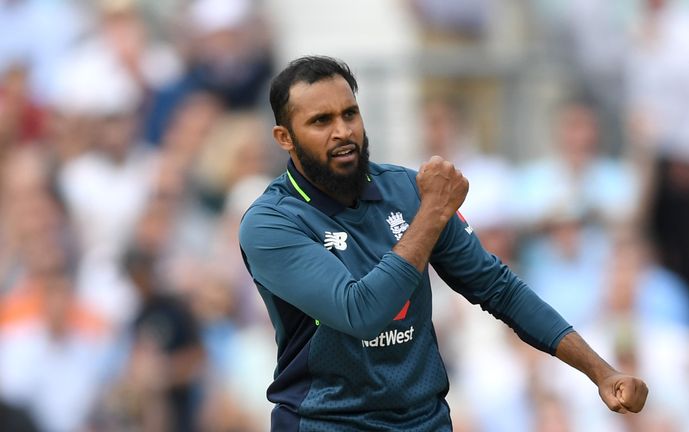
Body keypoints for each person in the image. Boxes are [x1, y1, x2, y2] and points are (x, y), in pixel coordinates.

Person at [238, 55, 648, 431]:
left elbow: (497, 287)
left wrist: (601, 371)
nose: (343, 132)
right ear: (284, 137)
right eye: (321, 121)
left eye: (350, 114)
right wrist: (431, 214)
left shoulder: (408, 189)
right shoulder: (272, 223)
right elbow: (360, 311)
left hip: (425, 421)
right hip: (327, 423)